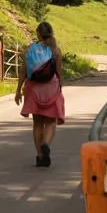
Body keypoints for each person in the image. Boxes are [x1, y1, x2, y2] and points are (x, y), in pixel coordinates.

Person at [16, 21, 67, 167]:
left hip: (33, 88)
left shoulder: (30, 49)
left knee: (37, 123)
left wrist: (18, 90)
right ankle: (46, 144)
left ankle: (39, 156)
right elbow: (58, 73)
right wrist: (60, 89)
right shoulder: (56, 51)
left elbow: (23, 72)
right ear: (51, 33)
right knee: (50, 121)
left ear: (38, 34)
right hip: (51, 88)